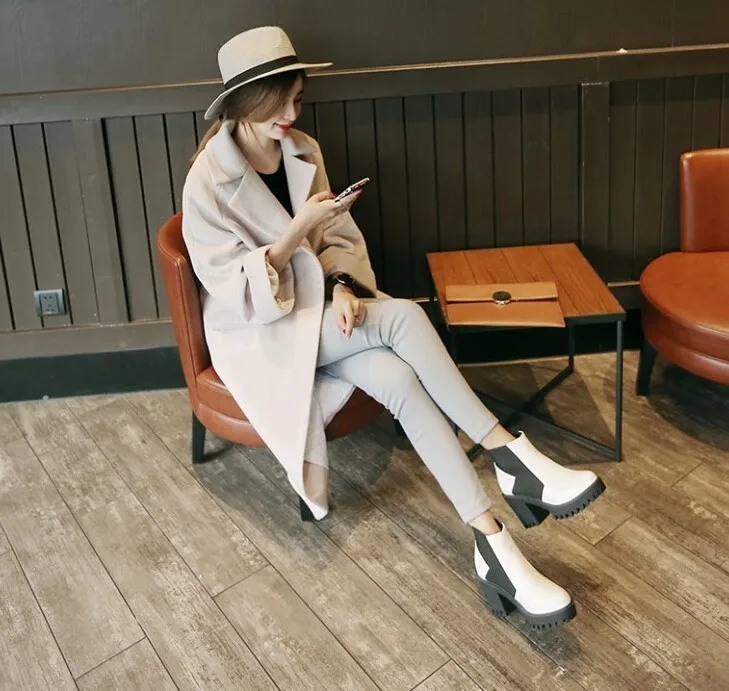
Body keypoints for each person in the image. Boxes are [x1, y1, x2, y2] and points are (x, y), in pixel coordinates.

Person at [182, 26, 606, 629]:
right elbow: (233, 288)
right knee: (405, 316)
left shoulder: (301, 149)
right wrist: (297, 230)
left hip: (318, 311)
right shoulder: (206, 181)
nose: (291, 115)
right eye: (279, 103)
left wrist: (343, 286)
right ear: (246, 102)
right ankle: (510, 454)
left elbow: (337, 239)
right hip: (259, 332)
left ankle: (493, 546)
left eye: (297, 99)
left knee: (399, 379)